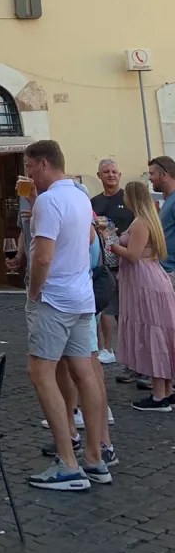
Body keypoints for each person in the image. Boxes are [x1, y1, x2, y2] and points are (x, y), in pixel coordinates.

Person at [14, 139, 108, 491]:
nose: (27, 174)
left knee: (40, 371)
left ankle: (68, 462)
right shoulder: (81, 195)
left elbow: (42, 256)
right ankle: (96, 456)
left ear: (42, 164)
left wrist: (35, 291)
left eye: (28, 166)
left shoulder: (50, 200)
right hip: (81, 294)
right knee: (86, 373)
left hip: (54, 297)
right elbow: (86, 239)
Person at [108, 181, 175, 411]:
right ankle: (166, 390)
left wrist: (113, 244)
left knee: (152, 334)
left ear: (132, 198)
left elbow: (133, 255)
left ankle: (158, 395)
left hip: (144, 282)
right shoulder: (150, 220)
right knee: (160, 333)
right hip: (152, 278)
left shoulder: (140, 223)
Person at [91, 159, 132, 365]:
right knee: (105, 309)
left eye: (114, 171)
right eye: (106, 172)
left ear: (120, 175)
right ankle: (107, 349)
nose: (111, 175)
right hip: (104, 264)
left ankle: (130, 354)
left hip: (127, 261)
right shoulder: (94, 202)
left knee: (127, 313)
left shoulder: (128, 199)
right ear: (99, 175)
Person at [149, 156, 175, 282]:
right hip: (165, 271)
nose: (149, 178)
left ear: (164, 175)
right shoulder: (168, 201)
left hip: (171, 271)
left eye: (152, 174)